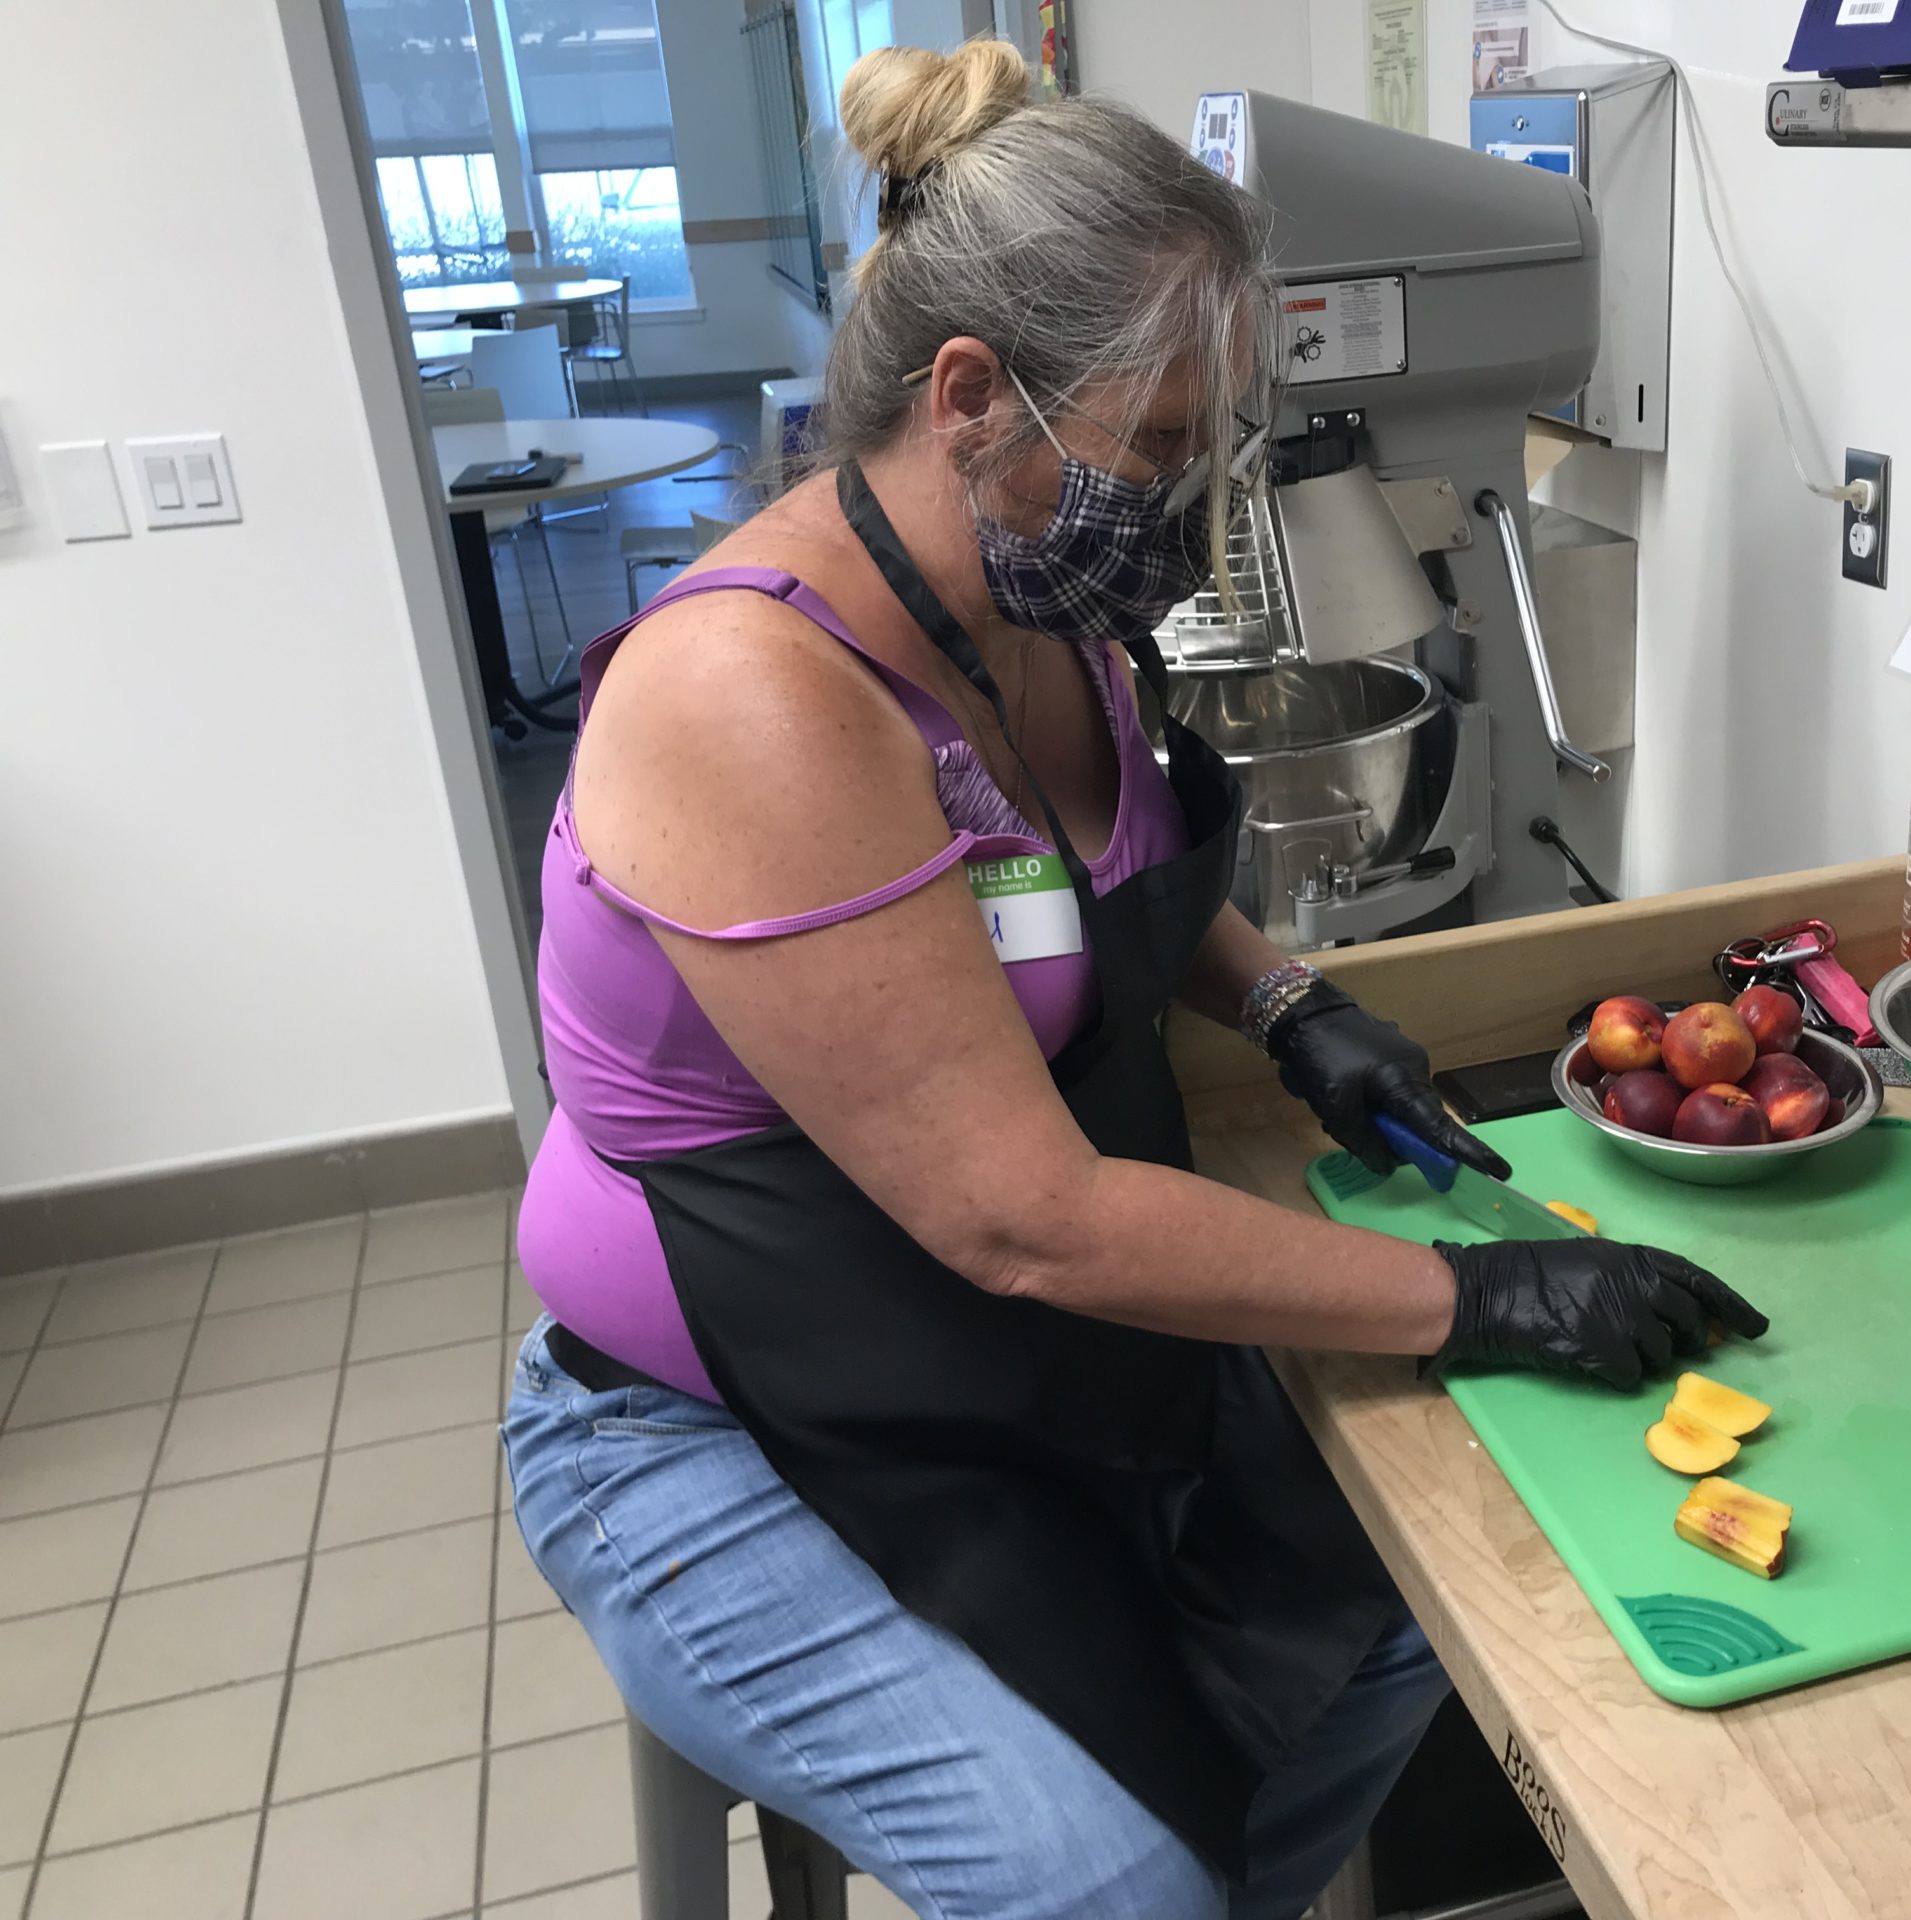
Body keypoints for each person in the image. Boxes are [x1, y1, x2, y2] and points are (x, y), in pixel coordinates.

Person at [503, 38, 1765, 1920]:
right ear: (968, 398)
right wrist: (1477, 1292)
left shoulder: (1037, 606)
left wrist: (1284, 1003)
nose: (1187, 499)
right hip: (718, 1429)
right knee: (1106, 1878)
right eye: (1165, 443)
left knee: (1450, 1582)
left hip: (994, 1371)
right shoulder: (751, 706)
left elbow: (1081, 890)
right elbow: (1023, 1216)